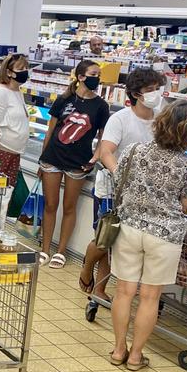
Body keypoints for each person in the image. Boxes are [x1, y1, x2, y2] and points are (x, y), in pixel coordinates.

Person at [110, 100, 187, 371]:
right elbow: (186, 202)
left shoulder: (135, 151)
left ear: (160, 122)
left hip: (130, 228)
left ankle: (118, 350)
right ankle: (136, 356)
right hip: (165, 235)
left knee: (124, 291)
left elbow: (118, 182)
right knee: (150, 296)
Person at [79, 67, 167, 301]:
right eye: (150, 90)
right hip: (112, 189)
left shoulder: (161, 117)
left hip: (146, 192)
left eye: (157, 89)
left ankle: (99, 289)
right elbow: (106, 151)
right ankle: (87, 267)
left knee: (119, 244)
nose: (155, 94)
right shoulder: (120, 119)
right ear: (136, 93)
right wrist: (119, 174)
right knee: (106, 237)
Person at [38, 59, 111, 268]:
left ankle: (60, 251)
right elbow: (50, 131)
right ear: (80, 77)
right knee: (51, 205)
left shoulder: (101, 106)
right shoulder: (63, 99)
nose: (97, 78)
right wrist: (42, 158)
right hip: (52, 158)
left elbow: (102, 137)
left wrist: (94, 158)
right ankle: (45, 249)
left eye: (98, 74)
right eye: (93, 74)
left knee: (70, 206)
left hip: (79, 163)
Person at [0, 54, 32, 224]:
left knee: (3, 199)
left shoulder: (17, 92)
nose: (25, 72)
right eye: (20, 69)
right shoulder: (0, 92)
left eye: (26, 68)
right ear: (9, 72)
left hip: (12, 156)